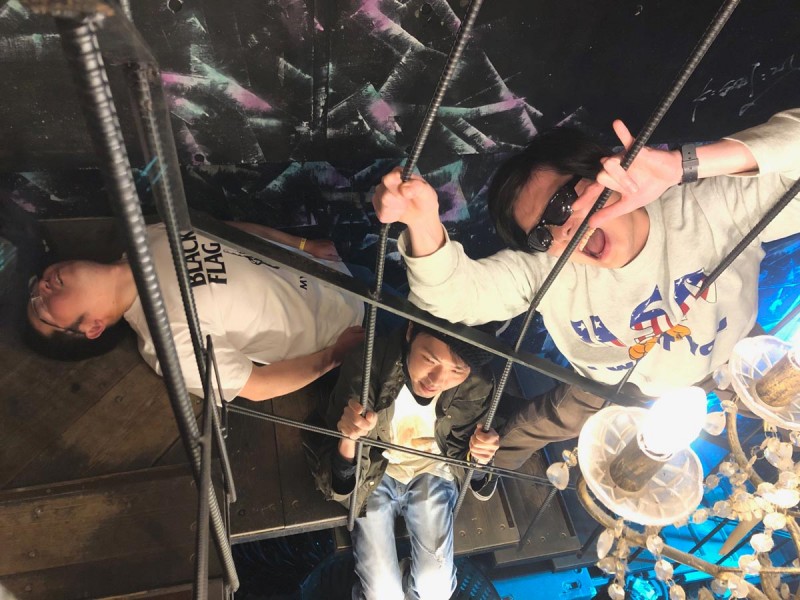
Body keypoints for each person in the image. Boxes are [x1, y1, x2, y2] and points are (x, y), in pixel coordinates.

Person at [371, 108, 800, 487]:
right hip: (607, 384)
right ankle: (480, 472)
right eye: (541, 235)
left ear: (604, 173)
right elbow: (454, 296)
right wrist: (421, 222)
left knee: (779, 417)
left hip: (729, 355)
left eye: (560, 205)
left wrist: (683, 165)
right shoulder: (548, 270)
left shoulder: (707, 206)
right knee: (538, 425)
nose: (561, 233)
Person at [25, 221, 365, 402]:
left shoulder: (146, 237)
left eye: (33, 286)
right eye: (41, 308)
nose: (42, 286)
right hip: (352, 329)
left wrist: (301, 245)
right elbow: (258, 386)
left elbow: (227, 231)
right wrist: (334, 356)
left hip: (338, 271)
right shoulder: (166, 342)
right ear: (92, 328)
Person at [305, 322, 500, 600]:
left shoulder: (477, 384)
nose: (436, 380)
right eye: (429, 359)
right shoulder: (369, 362)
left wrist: (481, 458)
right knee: (383, 593)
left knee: (437, 591)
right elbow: (340, 479)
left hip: (433, 471)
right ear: (410, 331)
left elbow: (466, 461)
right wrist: (349, 439)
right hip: (374, 472)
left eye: (456, 370)